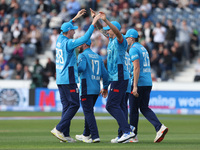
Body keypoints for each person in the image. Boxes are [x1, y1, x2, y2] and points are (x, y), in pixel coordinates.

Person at [50, 9, 101, 143]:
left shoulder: (60, 38)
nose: (74, 31)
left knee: (67, 106)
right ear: (68, 32)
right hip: (69, 77)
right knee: (74, 105)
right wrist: (93, 23)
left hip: (60, 78)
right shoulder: (68, 43)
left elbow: (64, 29)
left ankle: (64, 135)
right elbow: (84, 39)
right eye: (72, 30)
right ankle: (59, 129)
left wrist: (75, 18)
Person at [90, 9, 135, 143]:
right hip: (115, 77)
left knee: (111, 105)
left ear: (113, 29)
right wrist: (96, 18)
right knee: (120, 106)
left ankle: (127, 131)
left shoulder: (121, 41)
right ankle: (123, 134)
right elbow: (102, 30)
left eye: (108, 30)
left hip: (119, 77)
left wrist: (106, 20)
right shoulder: (111, 39)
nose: (106, 32)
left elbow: (116, 32)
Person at [125, 28, 168, 143]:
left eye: (127, 38)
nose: (126, 40)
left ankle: (133, 135)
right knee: (144, 107)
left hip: (139, 82)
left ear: (132, 38)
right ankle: (159, 127)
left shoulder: (133, 49)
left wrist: (134, 86)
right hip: (148, 82)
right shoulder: (143, 48)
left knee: (133, 109)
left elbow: (136, 67)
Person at [75, 39, 109, 143]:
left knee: (88, 112)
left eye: (79, 44)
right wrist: (105, 87)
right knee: (89, 111)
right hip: (96, 88)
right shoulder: (98, 57)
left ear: (85, 44)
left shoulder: (82, 55)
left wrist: (73, 67)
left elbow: (81, 68)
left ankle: (95, 136)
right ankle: (86, 134)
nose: (78, 46)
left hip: (86, 87)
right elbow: (105, 75)